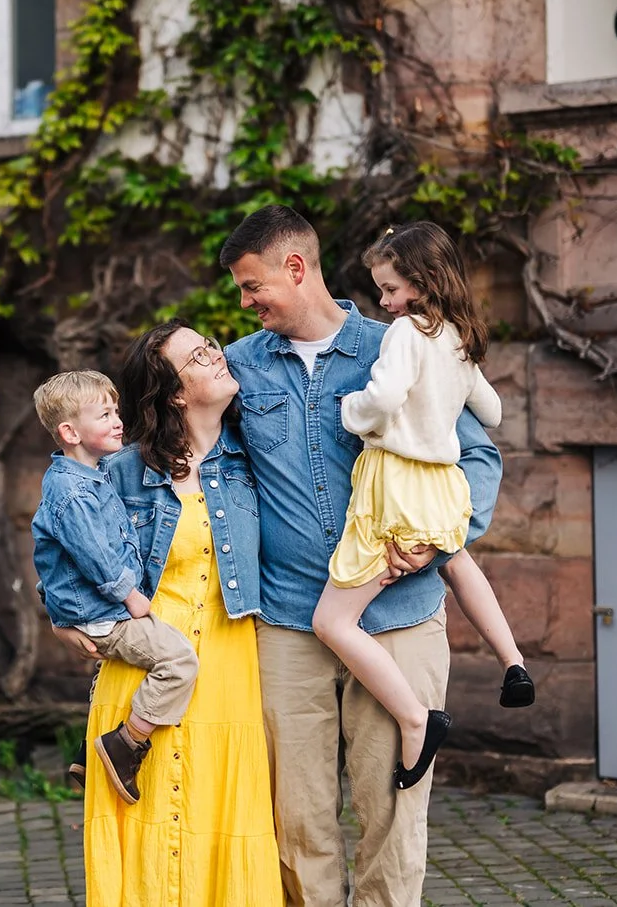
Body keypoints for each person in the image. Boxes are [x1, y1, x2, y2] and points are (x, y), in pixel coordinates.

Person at [220, 206, 502, 907]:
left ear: (296, 267)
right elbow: (191, 462)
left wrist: (441, 538)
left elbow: (478, 455)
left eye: (252, 285)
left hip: (398, 616)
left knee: (392, 812)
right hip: (288, 620)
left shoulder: (403, 343)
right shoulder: (237, 367)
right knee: (296, 817)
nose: (245, 301)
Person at [54, 322, 283, 906]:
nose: (217, 354)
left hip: (230, 668)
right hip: (144, 667)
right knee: (146, 821)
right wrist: (58, 613)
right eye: (199, 355)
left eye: (211, 345)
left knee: (221, 814)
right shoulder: (122, 470)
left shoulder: (257, 461)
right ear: (176, 393)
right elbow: (64, 533)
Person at [310, 222, 531, 794]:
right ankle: (513, 661)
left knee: (332, 620)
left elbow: (381, 399)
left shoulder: (405, 332)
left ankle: (416, 718)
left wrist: (350, 410)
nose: (382, 302)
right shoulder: (457, 338)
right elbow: (494, 410)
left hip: (398, 483)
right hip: (442, 484)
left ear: (423, 282)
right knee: (455, 561)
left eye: (389, 289)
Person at [30, 370, 199, 805]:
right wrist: (132, 597)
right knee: (179, 661)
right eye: (104, 415)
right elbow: (95, 556)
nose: (118, 421)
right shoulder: (73, 492)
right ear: (70, 432)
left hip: (97, 610)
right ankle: (126, 743)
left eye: (116, 412)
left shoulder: (93, 472)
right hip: (105, 612)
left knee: (117, 677)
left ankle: (88, 753)